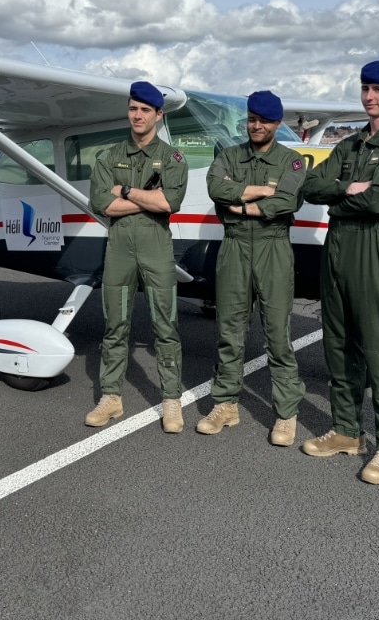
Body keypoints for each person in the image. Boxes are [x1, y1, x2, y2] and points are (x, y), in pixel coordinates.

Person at [302, 59, 379, 483]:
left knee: (378, 346)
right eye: (365, 88)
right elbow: (310, 186)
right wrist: (344, 189)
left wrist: (338, 197)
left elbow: (378, 203)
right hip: (338, 246)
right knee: (337, 341)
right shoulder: (350, 145)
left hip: (373, 246)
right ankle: (346, 431)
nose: (370, 96)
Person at [196, 90, 306, 446]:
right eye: (252, 120)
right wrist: (261, 190)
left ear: (277, 123)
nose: (257, 126)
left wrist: (239, 200)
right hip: (235, 247)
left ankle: (286, 413)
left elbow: (287, 201)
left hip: (273, 248)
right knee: (229, 328)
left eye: (265, 121)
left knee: (277, 333)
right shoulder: (228, 155)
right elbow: (215, 187)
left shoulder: (292, 161)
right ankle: (226, 403)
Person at [87, 81, 188, 433]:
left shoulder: (174, 158)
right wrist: (147, 196)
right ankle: (111, 397)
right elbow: (103, 204)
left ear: (159, 115)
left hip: (156, 248)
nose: (138, 115)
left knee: (166, 326)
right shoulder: (109, 157)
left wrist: (127, 190)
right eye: (133, 108)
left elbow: (168, 203)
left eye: (145, 110)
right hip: (119, 250)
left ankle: (171, 400)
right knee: (115, 325)